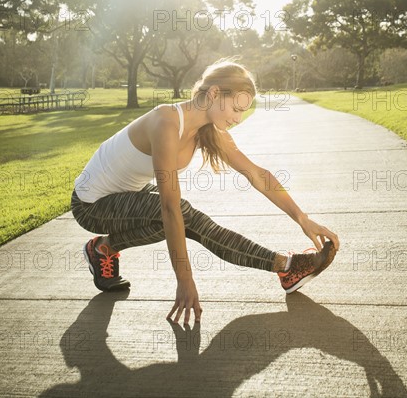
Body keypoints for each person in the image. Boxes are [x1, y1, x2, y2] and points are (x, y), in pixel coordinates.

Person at [70, 58, 340, 325]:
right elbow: (169, 209)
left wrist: (302, 218)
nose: (238, 118)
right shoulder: (165, 122)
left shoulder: (210, 132)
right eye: (236, 108)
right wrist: (185, 281)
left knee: (180, 219)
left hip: (127, 196)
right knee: (183, 214)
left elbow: (258, 175)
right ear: (213, 94)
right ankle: (287, 267)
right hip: (91, 205)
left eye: (243, 112)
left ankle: (103, 249)